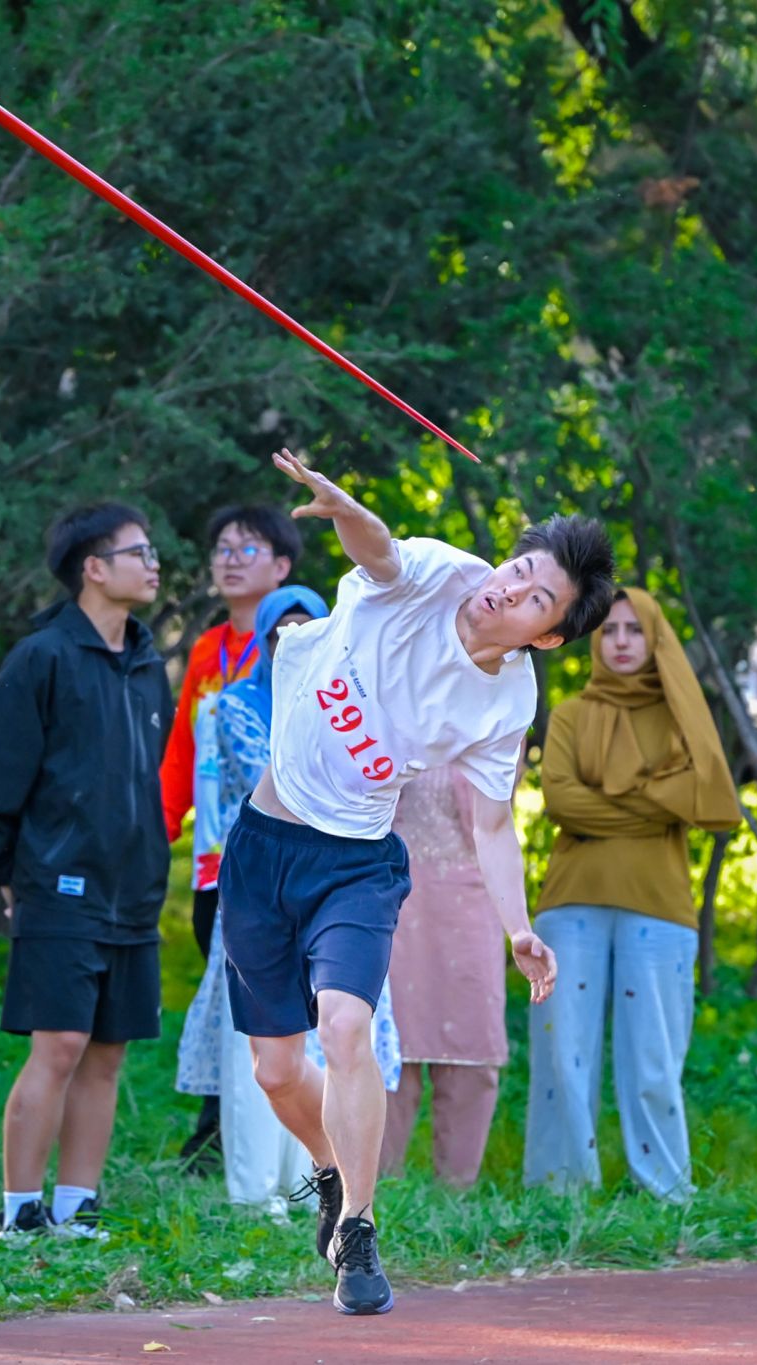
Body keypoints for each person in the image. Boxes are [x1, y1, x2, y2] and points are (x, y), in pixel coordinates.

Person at [217, 449, 615, 1315]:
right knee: (277, 1071)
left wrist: (518, 927)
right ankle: (332, 1170)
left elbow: (493, 822)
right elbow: (380, 551)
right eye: (517, 569)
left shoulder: (506, 702)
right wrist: (344, 504)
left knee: (346, 1025)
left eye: (536, 597)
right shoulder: (440, 573)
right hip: (265, 841)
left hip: (357, 861)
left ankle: (358, 1230)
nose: (508, 589)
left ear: (549, 634)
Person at [0, 504, 174, 1243]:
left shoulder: (148, 665)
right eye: (138, 552)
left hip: (134, 891)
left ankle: (75, 1206)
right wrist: (9, 869)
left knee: (107, 1053)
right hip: (59, 887)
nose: (153, 563)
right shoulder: (42, 657)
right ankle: (20, 1211)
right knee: (58, 1046)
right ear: (93, 567)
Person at [176, 586, 403, 1206]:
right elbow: (264, 778)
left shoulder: (358, 703)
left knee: (337, 1033)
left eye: (307, 629)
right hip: (255, 882)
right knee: (262, 1053)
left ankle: (322, 1183)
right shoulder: (233, 704)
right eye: (279, 632)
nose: (291, 642)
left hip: (341, 884)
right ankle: (254, 1192)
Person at [525, 588, 740, 1201]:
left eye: (634, 630)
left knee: (654, 1056)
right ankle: (560, 1193)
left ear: (655, 639)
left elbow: (705, 799)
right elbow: (562, 801)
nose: (620, 641)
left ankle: (666, 1191)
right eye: (610, 630)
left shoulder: (681, 718)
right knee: (562, 1053)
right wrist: (653, 802)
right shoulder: (571, 715)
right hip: (573, 900)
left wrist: (604, 805)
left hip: (659, 905)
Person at [160, 505, 300, 1168]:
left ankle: (255, 1140)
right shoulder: (207, 649)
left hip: (278, 856)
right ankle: (221, 1130)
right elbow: (182, 752)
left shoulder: (295, 641)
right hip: (214, 857)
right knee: (224, 993)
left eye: (249, 549)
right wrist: (160, 831)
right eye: (222, 548)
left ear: (282, 566)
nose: (230, 560)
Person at [378, 766, 508, 1190]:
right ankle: (376, 1189)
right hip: (397, 897)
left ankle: (457, 1189)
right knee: (393, 1042)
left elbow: (497, 822)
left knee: (473, 1042)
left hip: (473, 901)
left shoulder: (493, 732)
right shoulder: (393, 728)